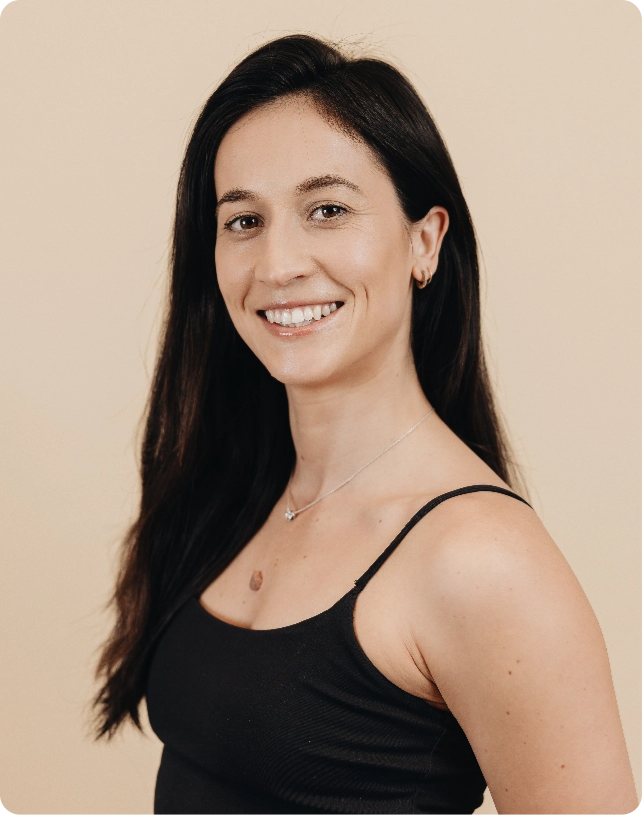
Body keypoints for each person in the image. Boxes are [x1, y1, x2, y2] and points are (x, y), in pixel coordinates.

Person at [93, 34, 638, 815]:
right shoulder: (232, 485)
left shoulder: (484, 561)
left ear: (425, 241)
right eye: (243, 220)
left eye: (327, 210)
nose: (278, 264)